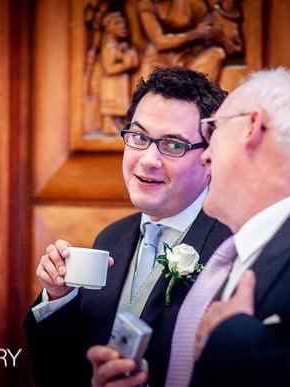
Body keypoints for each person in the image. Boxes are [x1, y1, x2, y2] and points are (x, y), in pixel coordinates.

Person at [88, 67, 290, 386]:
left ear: (252, 127)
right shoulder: (241, 252)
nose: (205, 155)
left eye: (213, 130)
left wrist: (234, 339)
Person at [24, 66, 231, 386]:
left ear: (210, 158)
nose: (148, 159)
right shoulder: (112, 238)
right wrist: (58, 297)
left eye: (173, 145)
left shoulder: (231, 248)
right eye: (139, 137)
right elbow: (61, 372)